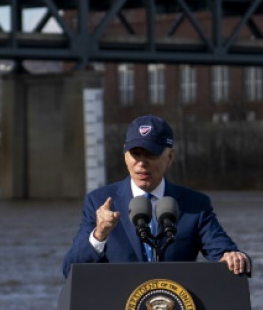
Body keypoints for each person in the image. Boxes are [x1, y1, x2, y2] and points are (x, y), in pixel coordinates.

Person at [62, 114, 251, 278]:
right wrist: (99, 234)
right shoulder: (99, 202)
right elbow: (70, 269)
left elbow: (223, 250)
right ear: (125, 156)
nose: (142, 164)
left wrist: (232, 257)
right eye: (136, 154)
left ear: (169, 157)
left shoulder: (195, 204)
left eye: (151, 155)